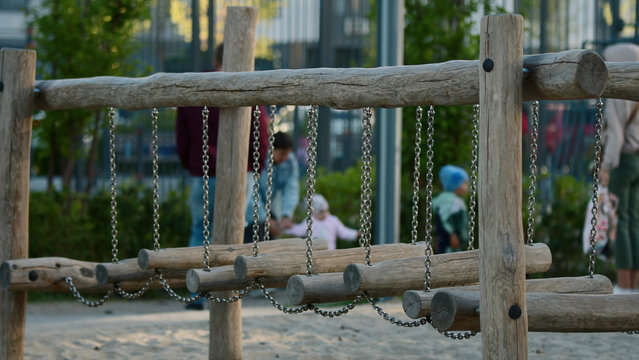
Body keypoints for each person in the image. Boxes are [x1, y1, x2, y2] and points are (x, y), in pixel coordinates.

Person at [176, 43, 269, 308]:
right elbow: (260, 132)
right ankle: (228, 291)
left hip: (202, 171)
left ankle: (196, 292)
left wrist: (191, 162)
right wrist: (256, 164)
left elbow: (182, 133)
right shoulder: (246, 84)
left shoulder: (191, 86)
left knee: (199, 230)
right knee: (234, 229)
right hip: (240, 171)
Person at [600, 43, 639, 293]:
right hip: (638, 160)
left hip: (622, 160)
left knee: (621, 221)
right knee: (634, 220)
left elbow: (614, 135)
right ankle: (634, 284)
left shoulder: (618, 94)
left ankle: (624, 286)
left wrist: (606, 166)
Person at [244, 131, 299, 242]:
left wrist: (286, 215)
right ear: (271, 149)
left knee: (270, 236)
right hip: (251, 210)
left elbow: (291, 188)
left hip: (270, 205)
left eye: (288, 154)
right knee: (253, 234)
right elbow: (250, 192)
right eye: (282, 154)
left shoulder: (289, 161)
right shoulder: (259, 158)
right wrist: (264, 219)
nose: (285, 158)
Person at [283, 194, 358, 250]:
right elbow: (299, 230)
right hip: (315, 252)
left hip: (330, 252)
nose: (323, 214)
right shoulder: (310, 221)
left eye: (324, 211)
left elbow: (344, 232)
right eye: (320, 212)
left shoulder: (333, 220)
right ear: (313, 213)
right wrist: (289, 228)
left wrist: (355, 234)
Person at [433, 165, 469, 253]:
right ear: (455, 185)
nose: (467, 187)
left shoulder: (453, 200)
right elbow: (444, 218)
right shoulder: (452, 201)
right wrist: (452, 234)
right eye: (464, 183)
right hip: (450, 241)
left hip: (449, 240)